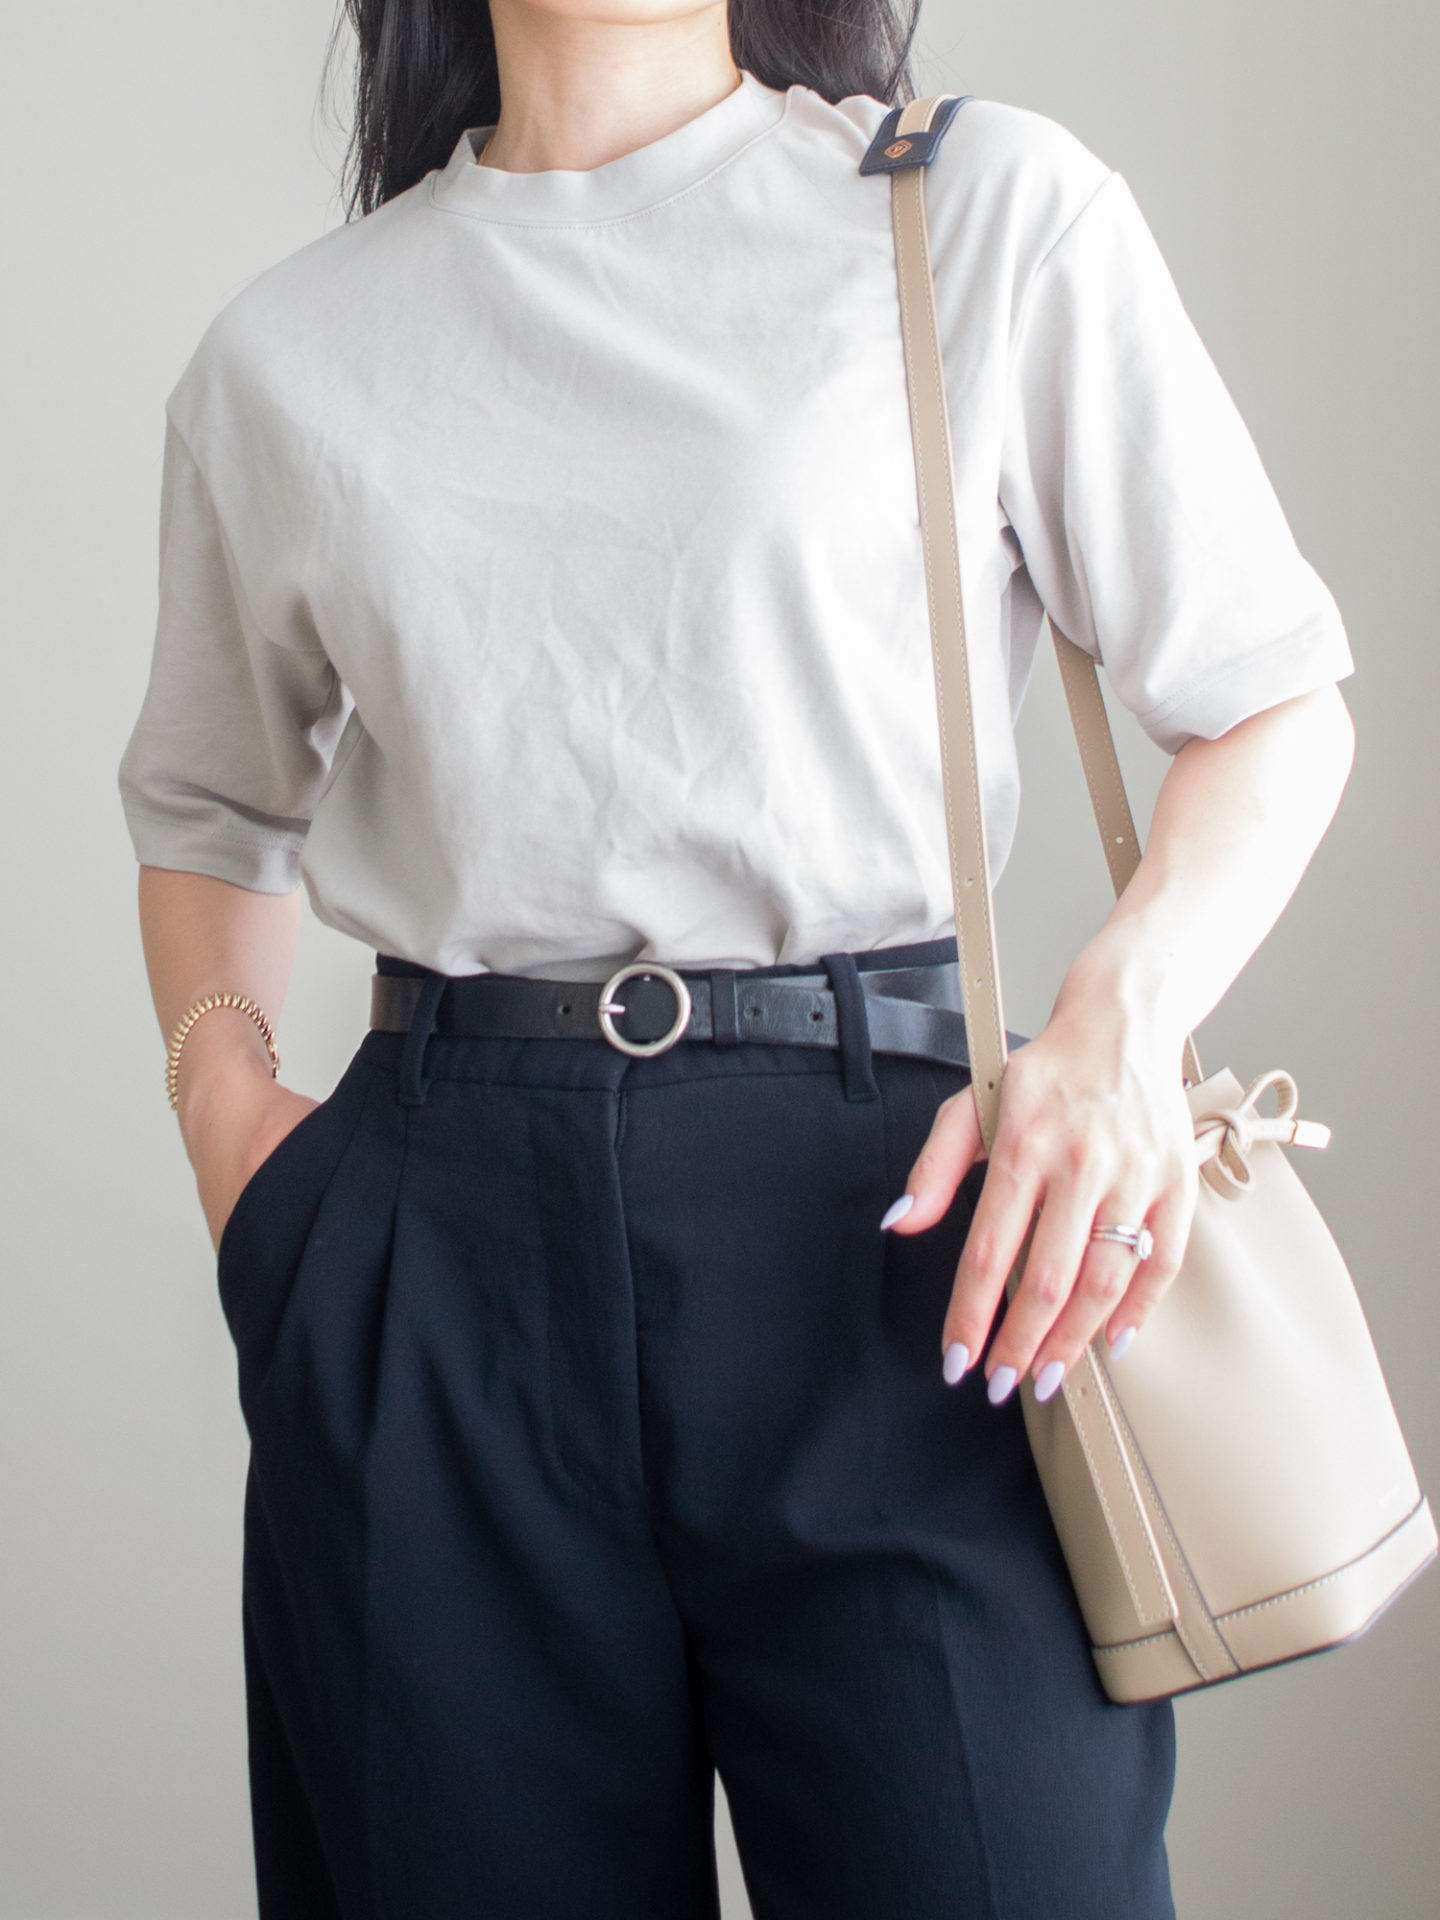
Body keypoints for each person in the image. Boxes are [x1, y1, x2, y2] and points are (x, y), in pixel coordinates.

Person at [118, 0, 1357, 1912]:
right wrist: (234, 1127)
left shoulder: (975, 209)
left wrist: (1113, 1029)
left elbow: (1274, 701)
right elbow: (208, 805)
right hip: (441, 1252)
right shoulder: (289, 356)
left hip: (912, 1241)